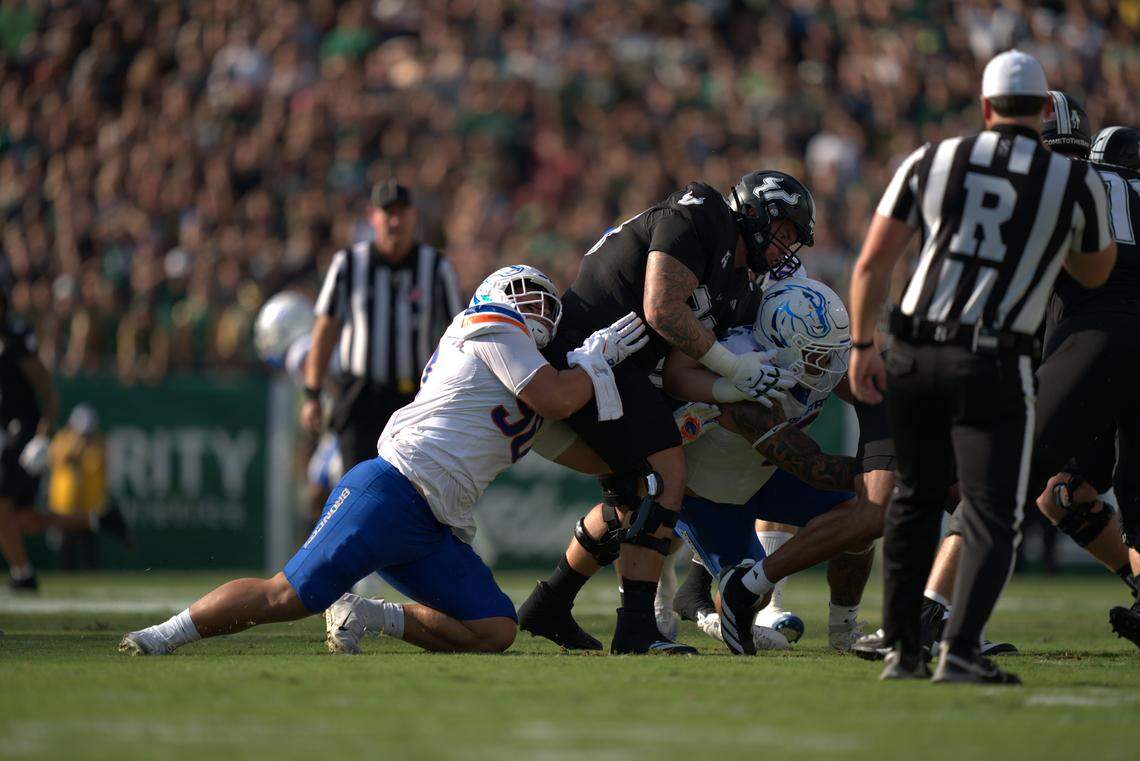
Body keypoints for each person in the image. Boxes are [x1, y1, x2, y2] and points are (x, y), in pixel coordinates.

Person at [118, 265, 648, 656]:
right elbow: (557, 398)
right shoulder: (488, 326)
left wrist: (620, 468)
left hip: (432, 525)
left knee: (494, 627)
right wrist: (597, 362)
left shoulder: (526, 374)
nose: (540, 312)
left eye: (547, 306)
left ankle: (367, 614)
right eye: (528, 298)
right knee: (286, 596)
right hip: (393, 490)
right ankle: (163, 635)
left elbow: (565, 439)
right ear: (496, 296)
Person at [847, 50, 1116, 684]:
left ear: (986, 106)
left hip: (913, 350)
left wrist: (862, 346)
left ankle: (903, 651)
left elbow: (871, 264)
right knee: (994, 512)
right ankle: (959, 651)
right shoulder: (1070, 181)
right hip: (995, 357)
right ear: (1047, 110)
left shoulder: (932, 159)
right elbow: (1095, 273)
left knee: (913, 501)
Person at [516, 172, 807, 654]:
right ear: (757, 213)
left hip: (627, 368)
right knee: (662, 474)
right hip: (592, 354)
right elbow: (662, 308)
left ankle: (550, 602)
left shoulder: (735, 282)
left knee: (634, 494)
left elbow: (677, 372)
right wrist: (733, 365)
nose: (788, 248)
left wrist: (734, 385)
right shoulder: (702, 212)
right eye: (787, 232)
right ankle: (635, 628)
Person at [301, 181, 463, 471]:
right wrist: (312, 393)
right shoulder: (348, 264)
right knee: (355, 485)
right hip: (361, 397)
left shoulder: (437, 268)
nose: (395, 221)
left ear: (413, 216)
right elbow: (325, 330)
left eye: (401, 212)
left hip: (414, 399)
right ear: (372, 216)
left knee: (413, 491)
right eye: (387, 212)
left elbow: (459, 336)